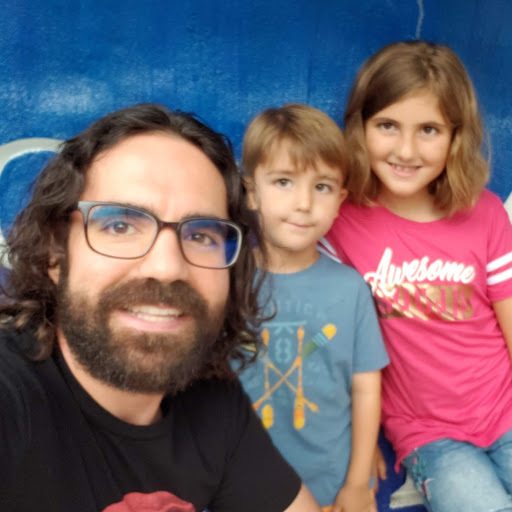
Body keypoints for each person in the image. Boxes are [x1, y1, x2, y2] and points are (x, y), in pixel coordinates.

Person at [0, 103, 322, 512]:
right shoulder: (11, 395)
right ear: (56, 254)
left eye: (202, 235)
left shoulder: (212, 401)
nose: (167, 268)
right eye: (120, 226)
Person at [320, 40, 512, 512]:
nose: (406, 150)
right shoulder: (338, 223)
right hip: (430, 436)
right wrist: (353, 443)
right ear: (360, 127)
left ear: (456, 137)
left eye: (428, 129)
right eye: (387, 125)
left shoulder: (485, 213)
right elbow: (334, 343)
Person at [238, 103, 389, 512]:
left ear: (340, 199)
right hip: (242, 488)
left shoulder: (350, 289)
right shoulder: (225, 281)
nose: (304, 203)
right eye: (283, 181)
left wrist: (356, 483)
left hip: (331, 488)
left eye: (321, 187)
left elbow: (365, 388)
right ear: (251, 191)